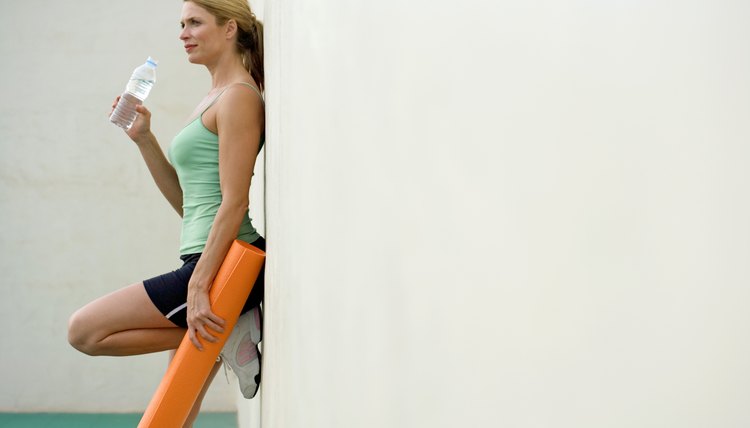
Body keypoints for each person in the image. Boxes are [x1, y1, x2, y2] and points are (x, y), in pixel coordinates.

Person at [67, 0, 266, 424]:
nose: (183, 33)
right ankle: (228, 330)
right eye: (181, 24)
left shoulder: (239, 98)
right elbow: (188, 203)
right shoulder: (213, 98)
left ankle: (229, 328)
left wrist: (199, 286)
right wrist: (144, 139)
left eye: (195, 22)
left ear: (230, 29)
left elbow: (234, 202)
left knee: (84, 331)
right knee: (176, 410)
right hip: (205, 260)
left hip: (223, 263)